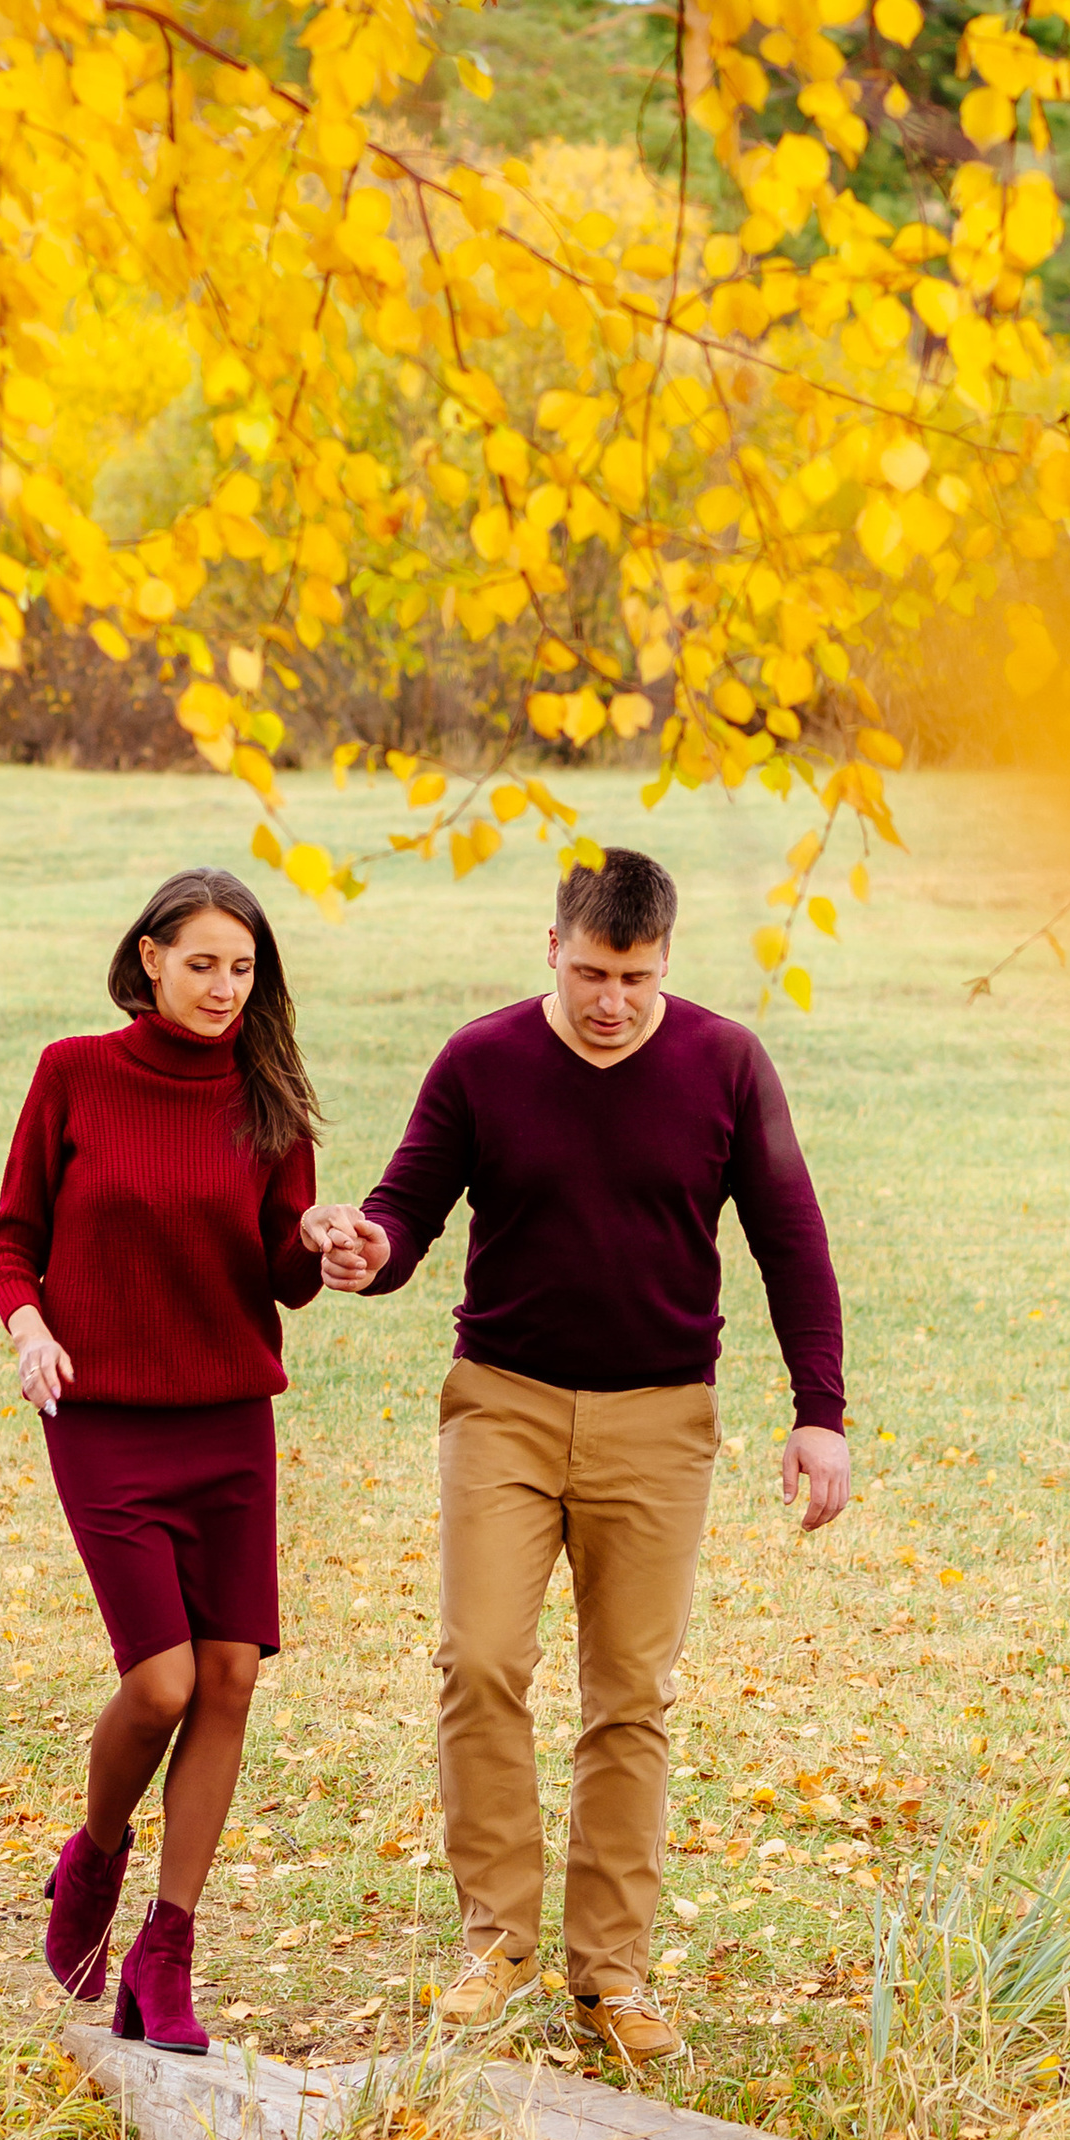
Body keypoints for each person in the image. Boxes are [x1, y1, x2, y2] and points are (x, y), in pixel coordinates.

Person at [301, 845, 849, 2071]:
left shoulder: (725, 1064)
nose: (613, 1000)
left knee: (629, 1700)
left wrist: (822, 1408)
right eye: (592, 972)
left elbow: (789, 1240)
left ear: (668, 962)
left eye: (638, 977)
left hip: (661, 1420)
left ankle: (610, 1973)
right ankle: (495, 1940)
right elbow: (405, 1209)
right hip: (502, 1403)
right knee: (480, 1659)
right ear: (549, 949)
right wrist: (363, 1251)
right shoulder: (482, 1061)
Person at [0, 867, 323, 2052]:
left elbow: (282, 1267)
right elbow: (13, 1234)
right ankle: (97, 1852)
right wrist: (27, 1327)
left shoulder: (270, 1099)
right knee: (164, 1680)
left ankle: (166, 1949)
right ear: (147, 961)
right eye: (202, 964)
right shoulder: (74, 1073)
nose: (224, 988)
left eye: (242, 969)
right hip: (106, 1415)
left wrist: (323, 1242)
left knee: (230, 1676)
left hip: (229, 1418)